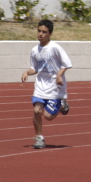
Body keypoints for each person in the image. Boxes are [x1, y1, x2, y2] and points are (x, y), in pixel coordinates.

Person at [21, 19, 72, 149]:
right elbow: (35, 68)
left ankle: (61, 104)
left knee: (48, 116)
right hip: (40, 87)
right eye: (39, 31)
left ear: (50, 33)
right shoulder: (34, 50)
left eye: (44, 32)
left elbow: (66, 64)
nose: (40, 34)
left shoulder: (55, 48)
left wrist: (59, 75)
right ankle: (39, 138)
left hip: (54, 88)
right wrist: (28, 72)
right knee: (37, 110)